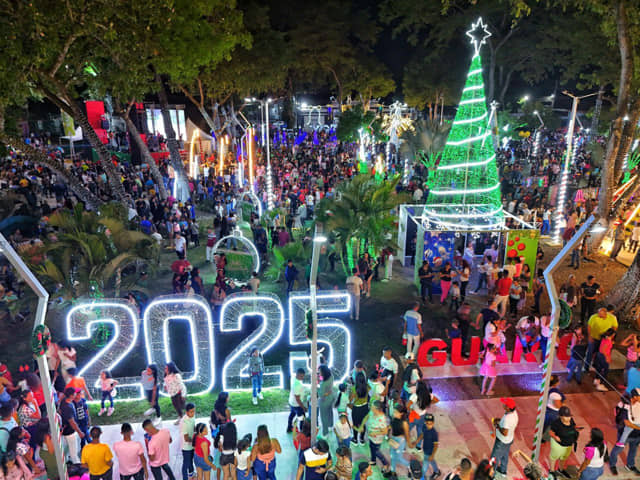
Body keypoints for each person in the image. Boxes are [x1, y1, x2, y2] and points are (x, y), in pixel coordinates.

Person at [610, 388, 640, 475]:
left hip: (636, 435)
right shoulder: (626, 406)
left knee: (633, 450)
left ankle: (630, 465)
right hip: (625, 435)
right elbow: (627, 423)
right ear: (634, 397)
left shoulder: (638, 405)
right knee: (617, 450)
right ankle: (612, 465)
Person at [357, 400, 390, 473]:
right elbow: (366, 417)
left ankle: (385, 463)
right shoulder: (372, 412)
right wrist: (362, 425)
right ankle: (373, 460)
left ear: (378, 409)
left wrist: (374, 432)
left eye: (372, 408)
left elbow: (385, 431)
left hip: (377, 439)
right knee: (371, 448)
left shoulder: (382, 419)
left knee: (377, 452)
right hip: (371, 437)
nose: (371, 409)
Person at [491, 397, 519, 477]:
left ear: (508, 407)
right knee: (504, 455)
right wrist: (500, 421)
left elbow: (505, 432)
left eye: (504, 404)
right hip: (509, 440)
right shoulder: (514, 413)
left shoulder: (507, 419)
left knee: (495, 457)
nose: (503, 405)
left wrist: (497, 426)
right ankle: (503, 471)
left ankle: (491, 474)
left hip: (502, 441)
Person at [549, 406, 579, 478]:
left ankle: (561, 469)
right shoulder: (556, 423)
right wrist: (555, 437)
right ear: (561, 416)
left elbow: (574, 427)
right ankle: (552, 471)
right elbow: (551, 432)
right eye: (566, 417)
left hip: (568, 445)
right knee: (554, 457)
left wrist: (576, 430)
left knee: (564, 457)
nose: (568, 418)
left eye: (569, 416)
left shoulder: (571, 420)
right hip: (558, 445)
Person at [586, 307, 617, 372]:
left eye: (601, 314)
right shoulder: (593, 317)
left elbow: (615, 327)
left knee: (599, 353)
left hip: (603, 340)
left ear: (605, 313)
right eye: (598, 313)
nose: (599, 315)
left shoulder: (612, 318)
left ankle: (595, 364)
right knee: (590, 352)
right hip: (593, 338)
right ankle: (587, 366)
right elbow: (589, 326)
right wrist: (589, 336)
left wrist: (611, 337)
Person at [60, 387, 83, 463]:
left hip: (65, 430)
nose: (76, 394)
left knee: (67, 449)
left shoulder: (64, 401)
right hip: (70, 432)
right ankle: (77, 465)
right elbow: (72, 422)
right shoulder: (68, 407)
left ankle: (66, 461)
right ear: (71, 395)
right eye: (75, 394)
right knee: (74, 452)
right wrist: (79, 432)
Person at [414, 413, 440, 479]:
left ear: (433, 423)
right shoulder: (424, 427)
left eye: (430, 424)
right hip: (425, 449)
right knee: (432, 461)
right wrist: (417, 441)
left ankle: (421, 477)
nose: (428, 425)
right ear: (425, 422)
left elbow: (436, 445)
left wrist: (432, 455)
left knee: (424, 467)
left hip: (430, 452)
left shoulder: (434, 433)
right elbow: (422, 434)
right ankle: (436, 471)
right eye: (427, 423)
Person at [389, 404, 411, 473]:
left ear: (401, 413)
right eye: (394, 411)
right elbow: (391, 427)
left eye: (396, 412)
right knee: (392, 456)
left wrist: (409, 443)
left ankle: (409, 465)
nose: (393, 413)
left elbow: (407, 434)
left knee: (399, 457)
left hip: (400, 441)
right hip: (393, 439)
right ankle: (393, 472)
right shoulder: (393, 419)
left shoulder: (404, 423)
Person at [349, 372, 369, 445]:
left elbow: (350, 399)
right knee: (363, 423)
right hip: (365, 407)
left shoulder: (354, 388)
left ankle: (355, 439)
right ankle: (362, 439)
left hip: (356, 409)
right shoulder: (367, 386)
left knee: (355, 424)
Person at [180, 403, 196, 480]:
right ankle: (185, 478)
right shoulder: (184, 423)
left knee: (191, 460)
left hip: (192, 445)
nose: (193, 413)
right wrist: (196, 441)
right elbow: (186, 439)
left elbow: (194, 426)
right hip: (186, 447)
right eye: (191, 412)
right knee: (186, 463)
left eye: (194, 411)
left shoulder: (192, 416)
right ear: (186, 412)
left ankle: (191, 474)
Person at [288, 368, 307, 433]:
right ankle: (302, 431)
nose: (303, 377)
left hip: (292, 402)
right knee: (301, 418)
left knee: (292, 415)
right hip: (297, 405)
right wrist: (303, 407)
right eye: (302, 376)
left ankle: (289, 427)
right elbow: (297, 398)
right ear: (298, 374)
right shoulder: (297, 385)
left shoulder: (293, 378)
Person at [318, 365, 335, 437]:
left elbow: (321, 394)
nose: (319, 373)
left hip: (324, 401)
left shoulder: (323, 383)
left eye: (320, 371)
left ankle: (325, 433)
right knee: (330, 412)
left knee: (323, 416)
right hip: (331, 398)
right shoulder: (331, 376)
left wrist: (317, 388)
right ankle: (331, 426)